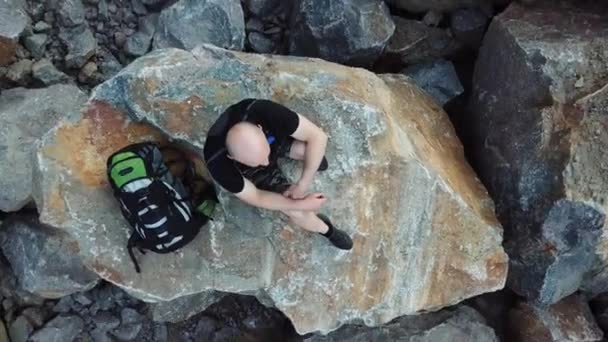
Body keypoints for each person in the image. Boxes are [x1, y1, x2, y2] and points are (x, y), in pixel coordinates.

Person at [203, 98, 353, 250]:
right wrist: (300, 203)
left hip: (274, 141)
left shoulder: (262, 110)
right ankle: (326, 230)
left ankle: (290, 152)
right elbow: (256, 196)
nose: (267, 163)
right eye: (259, 162)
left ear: (260, 128)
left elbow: (318, 136)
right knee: (295, 210)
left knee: (311, 150)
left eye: (265, 156)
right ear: (232, 158)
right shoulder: (218, 163)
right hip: (253, 171)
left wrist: (303, 183)